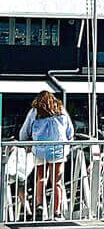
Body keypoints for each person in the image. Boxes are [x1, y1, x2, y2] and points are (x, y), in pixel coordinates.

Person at [19, 90, 74, 219]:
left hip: (40, 150)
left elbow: (24, 132)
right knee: (57, 182)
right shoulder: (61, 110)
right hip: (58, 150)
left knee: (41, 178)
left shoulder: (35, 112)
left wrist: (26, 142)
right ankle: (57, 211)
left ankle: (39, 205)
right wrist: (68, 143)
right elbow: (70, 131)